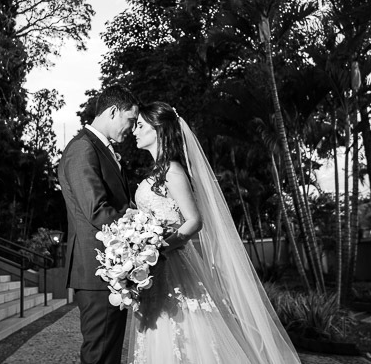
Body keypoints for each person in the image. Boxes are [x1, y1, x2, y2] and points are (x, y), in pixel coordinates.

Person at [128, 101, 301, 364]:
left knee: (183, 334)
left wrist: (157, 249)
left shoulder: (172, 170)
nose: (134, 131)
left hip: (171, 263)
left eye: (140, 125)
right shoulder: (158, 171)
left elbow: (194, 221)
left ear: (159, 129)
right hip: (156, 267)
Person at [58, 85, 140, 364]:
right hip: (98, 271)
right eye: (131, 119)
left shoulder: (100, 149)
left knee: (108, 354)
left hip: (110, 269)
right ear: (113, 111)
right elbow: (97, 211)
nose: (132, 128)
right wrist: (140, 226)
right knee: (100, 356)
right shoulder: (83, 148)